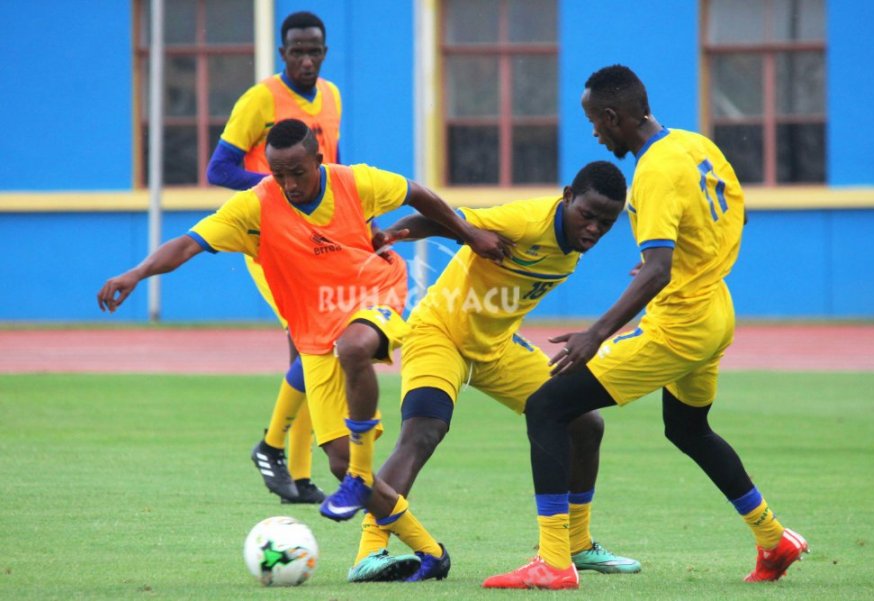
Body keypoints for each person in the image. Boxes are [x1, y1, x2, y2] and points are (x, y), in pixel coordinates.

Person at [99, 118, 509, 582]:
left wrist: (467, 232)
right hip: (314, 332)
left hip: (375, 293)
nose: (290, 184)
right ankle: (431, 552)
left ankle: (360, 474)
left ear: (319, 159)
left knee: (355, 348)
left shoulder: (355, 182)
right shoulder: (255, 206)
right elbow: (188, 244)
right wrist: (136, 273)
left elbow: (418, 194)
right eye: (279, 174)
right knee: (336, 461)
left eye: (298, 172)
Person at [483, 65, 808, 590]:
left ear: (613, 117)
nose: (595, 133)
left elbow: (657, 270)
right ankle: (774, 539)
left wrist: (596, 334)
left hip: (680, 325)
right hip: (716, 310)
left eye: (594, 121)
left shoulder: (653, 173)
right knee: (688, 429)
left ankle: (555, 561)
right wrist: (685, 261)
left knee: (547, 405)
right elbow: (734, 217)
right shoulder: (694, 144)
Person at [343, 161, 642, 583]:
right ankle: (369, 552)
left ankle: (575, 543)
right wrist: (396, 235)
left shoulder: (574, 243)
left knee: (585, 423)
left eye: (606, 223)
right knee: (423, 432)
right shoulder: (525, 221)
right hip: (439, 333)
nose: (594, 228)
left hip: (496, 347)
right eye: (587, 215)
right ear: (567, 197)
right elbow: (442, 219)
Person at [206, 11, 343, 505]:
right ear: (282, 53)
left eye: (314, 51)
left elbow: (334, 168)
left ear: (324, 53)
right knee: (312, 346)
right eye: (297, 52)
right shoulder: (260, 99)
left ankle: (299, 478)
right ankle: (270, 448)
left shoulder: (332, 97)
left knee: (314, 351)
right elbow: (219, 169)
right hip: (268, 241)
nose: (306, 60)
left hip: (316, 239)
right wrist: (279, 184)